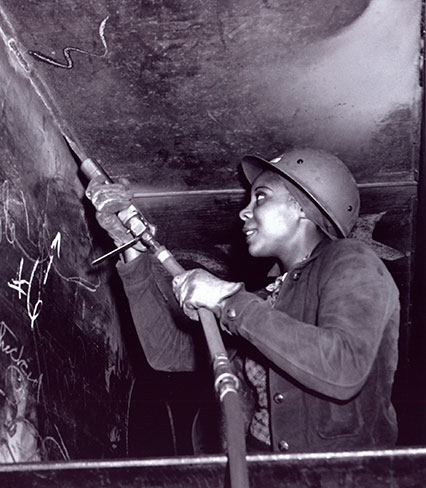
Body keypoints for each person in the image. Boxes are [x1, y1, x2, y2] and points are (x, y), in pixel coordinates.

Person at [85, 148, 400, 453]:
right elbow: (168, 351)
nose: (244, 211)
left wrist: (227, 299)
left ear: (302, 207)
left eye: (261, 197)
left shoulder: (353, 261)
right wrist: (132, 248)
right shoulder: (267, 300)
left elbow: (343, 366)